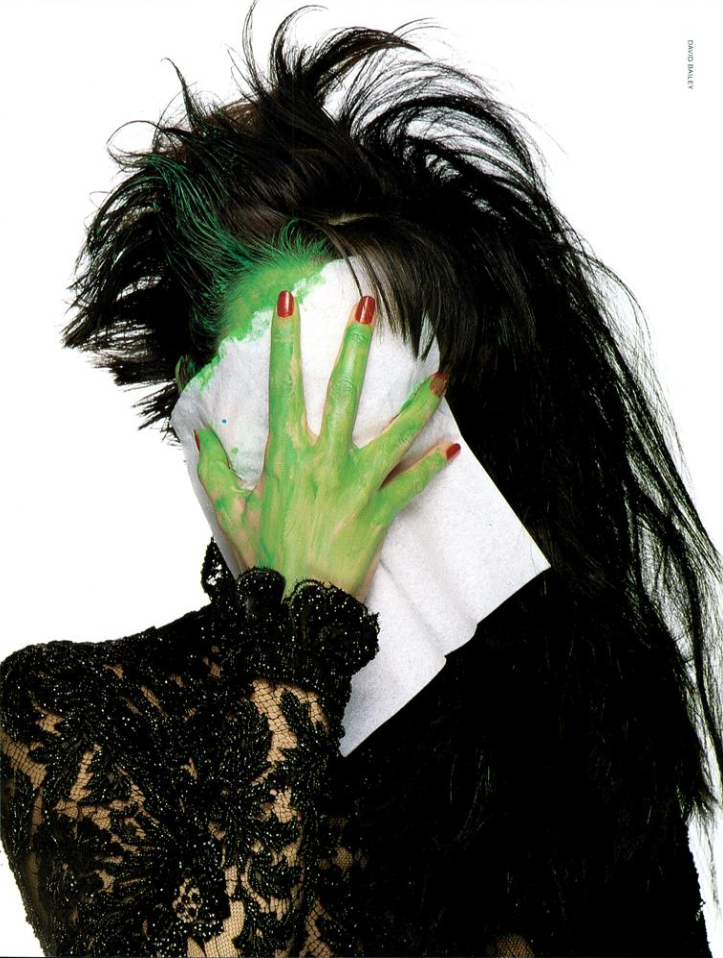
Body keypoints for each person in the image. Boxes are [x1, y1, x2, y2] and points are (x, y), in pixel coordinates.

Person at [1, 6, 721, 957]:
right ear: (196, 415)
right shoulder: (80, 714)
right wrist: (298, 636)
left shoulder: (577, 737)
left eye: (375, 389)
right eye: (287, 393)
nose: (330, 461)